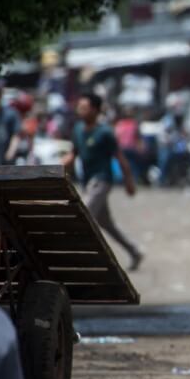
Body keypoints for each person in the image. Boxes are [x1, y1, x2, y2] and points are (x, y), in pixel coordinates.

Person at [63, 93, 143, 271]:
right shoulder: (77, 129)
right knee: (106, 224)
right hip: (88, 181)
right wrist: (53, 168)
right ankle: (134, 251)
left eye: (84, 108)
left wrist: (129, 182)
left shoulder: (105, 133)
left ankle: (80, 262)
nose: (80, 111)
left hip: (102, 181)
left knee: (83, 215)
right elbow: (73, 154)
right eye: (79, 107)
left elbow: (120, 158)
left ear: (95, 110)